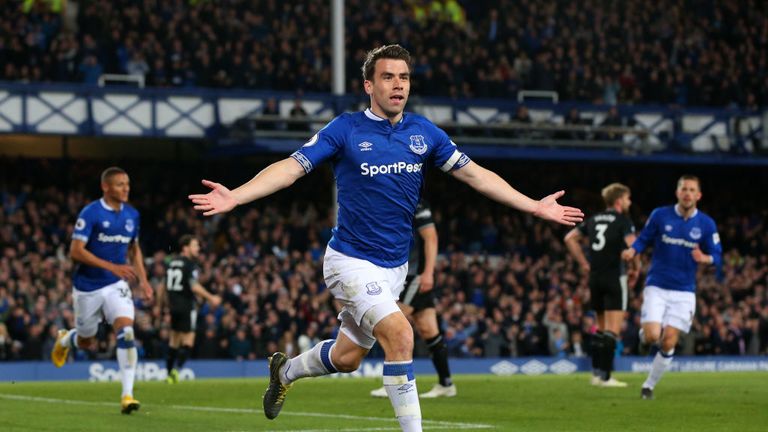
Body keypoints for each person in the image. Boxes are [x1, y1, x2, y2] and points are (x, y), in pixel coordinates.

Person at [189, 44, 583, 431]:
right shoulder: (345, 128)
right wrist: (236, 196)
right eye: (388, 77)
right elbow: (291, 168)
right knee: (400, 333)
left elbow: (476, 175)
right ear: (368, 86)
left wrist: (533, 205)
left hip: (395, 267)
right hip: (350, 261)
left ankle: (286, 372)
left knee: (346, 359)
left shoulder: (423, 132)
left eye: (404, 77)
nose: (398, 85)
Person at [51, 166, 153, 414]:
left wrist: (144, 279)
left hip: (116, 285)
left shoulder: (132, 215)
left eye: (127, 183)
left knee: (127, 333)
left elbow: (134, 249)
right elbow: (76, 251)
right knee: (87, 341)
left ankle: (127, 395)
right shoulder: (92, 213)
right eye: (120, 184)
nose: (126, 188)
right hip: (87, 287)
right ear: (105, 187)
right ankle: (67, 338)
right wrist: (112, 266)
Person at [621, 175, 722, 400]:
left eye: (692, 190)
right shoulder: (660, 215)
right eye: (683, 189)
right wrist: (633, 251)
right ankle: (643, 338)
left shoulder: (706, 224)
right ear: (677, 193)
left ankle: (648, 386)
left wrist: (705, 258)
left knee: (668, 341)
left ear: (698, 195)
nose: (687, 193)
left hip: (684, 291)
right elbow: (644, 238)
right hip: (657, 285)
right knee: (652, 335)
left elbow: (717, 255)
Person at [370, 200, 456, 399]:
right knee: (428, 329)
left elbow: (431, 238)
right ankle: (446, 384)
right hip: (404, 275)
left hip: (414, 277)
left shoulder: (416, 205)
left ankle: (395, 381)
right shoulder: (394, 202)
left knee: (390, 324)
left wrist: (427, 273)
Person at [564, 183, 639, 388]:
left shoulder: (594, 219)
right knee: (612, 331)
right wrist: (636, 267)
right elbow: (633, 246)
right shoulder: (623, 220)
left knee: (600, 328)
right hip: (615, 276)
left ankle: (596, 374)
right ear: (619, 200)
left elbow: (570, 238)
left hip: (595, 278)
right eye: (627, 198)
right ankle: (606, 377)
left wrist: (584, 263)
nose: (629, 202)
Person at [160, 235, 221, 384]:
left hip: (173, 306)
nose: (198, 248)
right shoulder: (190, 265)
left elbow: (162, 287)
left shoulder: (171, 263)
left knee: (174, 341)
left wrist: (162, 307)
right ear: (185, 248)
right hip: (186, 305)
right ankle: (176, 370)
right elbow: (194, 286)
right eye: (195, 245)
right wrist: (211, 297)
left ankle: (168, 374)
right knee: (188, 341)